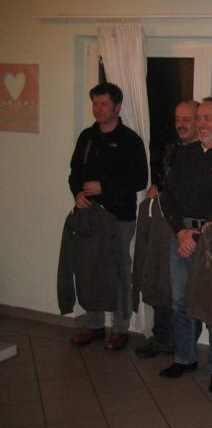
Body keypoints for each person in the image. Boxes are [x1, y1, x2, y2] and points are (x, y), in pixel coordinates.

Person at [159, 97, 212, 396]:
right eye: (199, 118)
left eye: (208, 117)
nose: (201, 123)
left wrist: (209, 230)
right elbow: (167, 197)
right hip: (181, 236)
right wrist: (181, 231)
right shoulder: (184, 155)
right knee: (180, 302)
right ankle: (184, 358)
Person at [68, 82, 148, 350]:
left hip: (119, 217)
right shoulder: (87, 137)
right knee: (89, 270)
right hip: (88, 215)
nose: (98, 109)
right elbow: (74, 173)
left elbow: (140, 179)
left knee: (119, 272)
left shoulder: (130, 140)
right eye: (95, 103)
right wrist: (77, 193)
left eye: (104, 104)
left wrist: (105, 187)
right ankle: (94, 325)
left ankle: (121, 329)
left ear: (117, 107)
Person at [135, 100, 199, 359]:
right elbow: (167, 183)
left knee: (185, 294)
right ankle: (163, 339)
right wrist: (157, 188)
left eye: (187, 119)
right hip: (166, 225)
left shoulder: (205, 153)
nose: (181, 124)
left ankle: (184, 347)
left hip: (190, 231)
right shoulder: (172, 149)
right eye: (177, 119)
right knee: (161, 283)